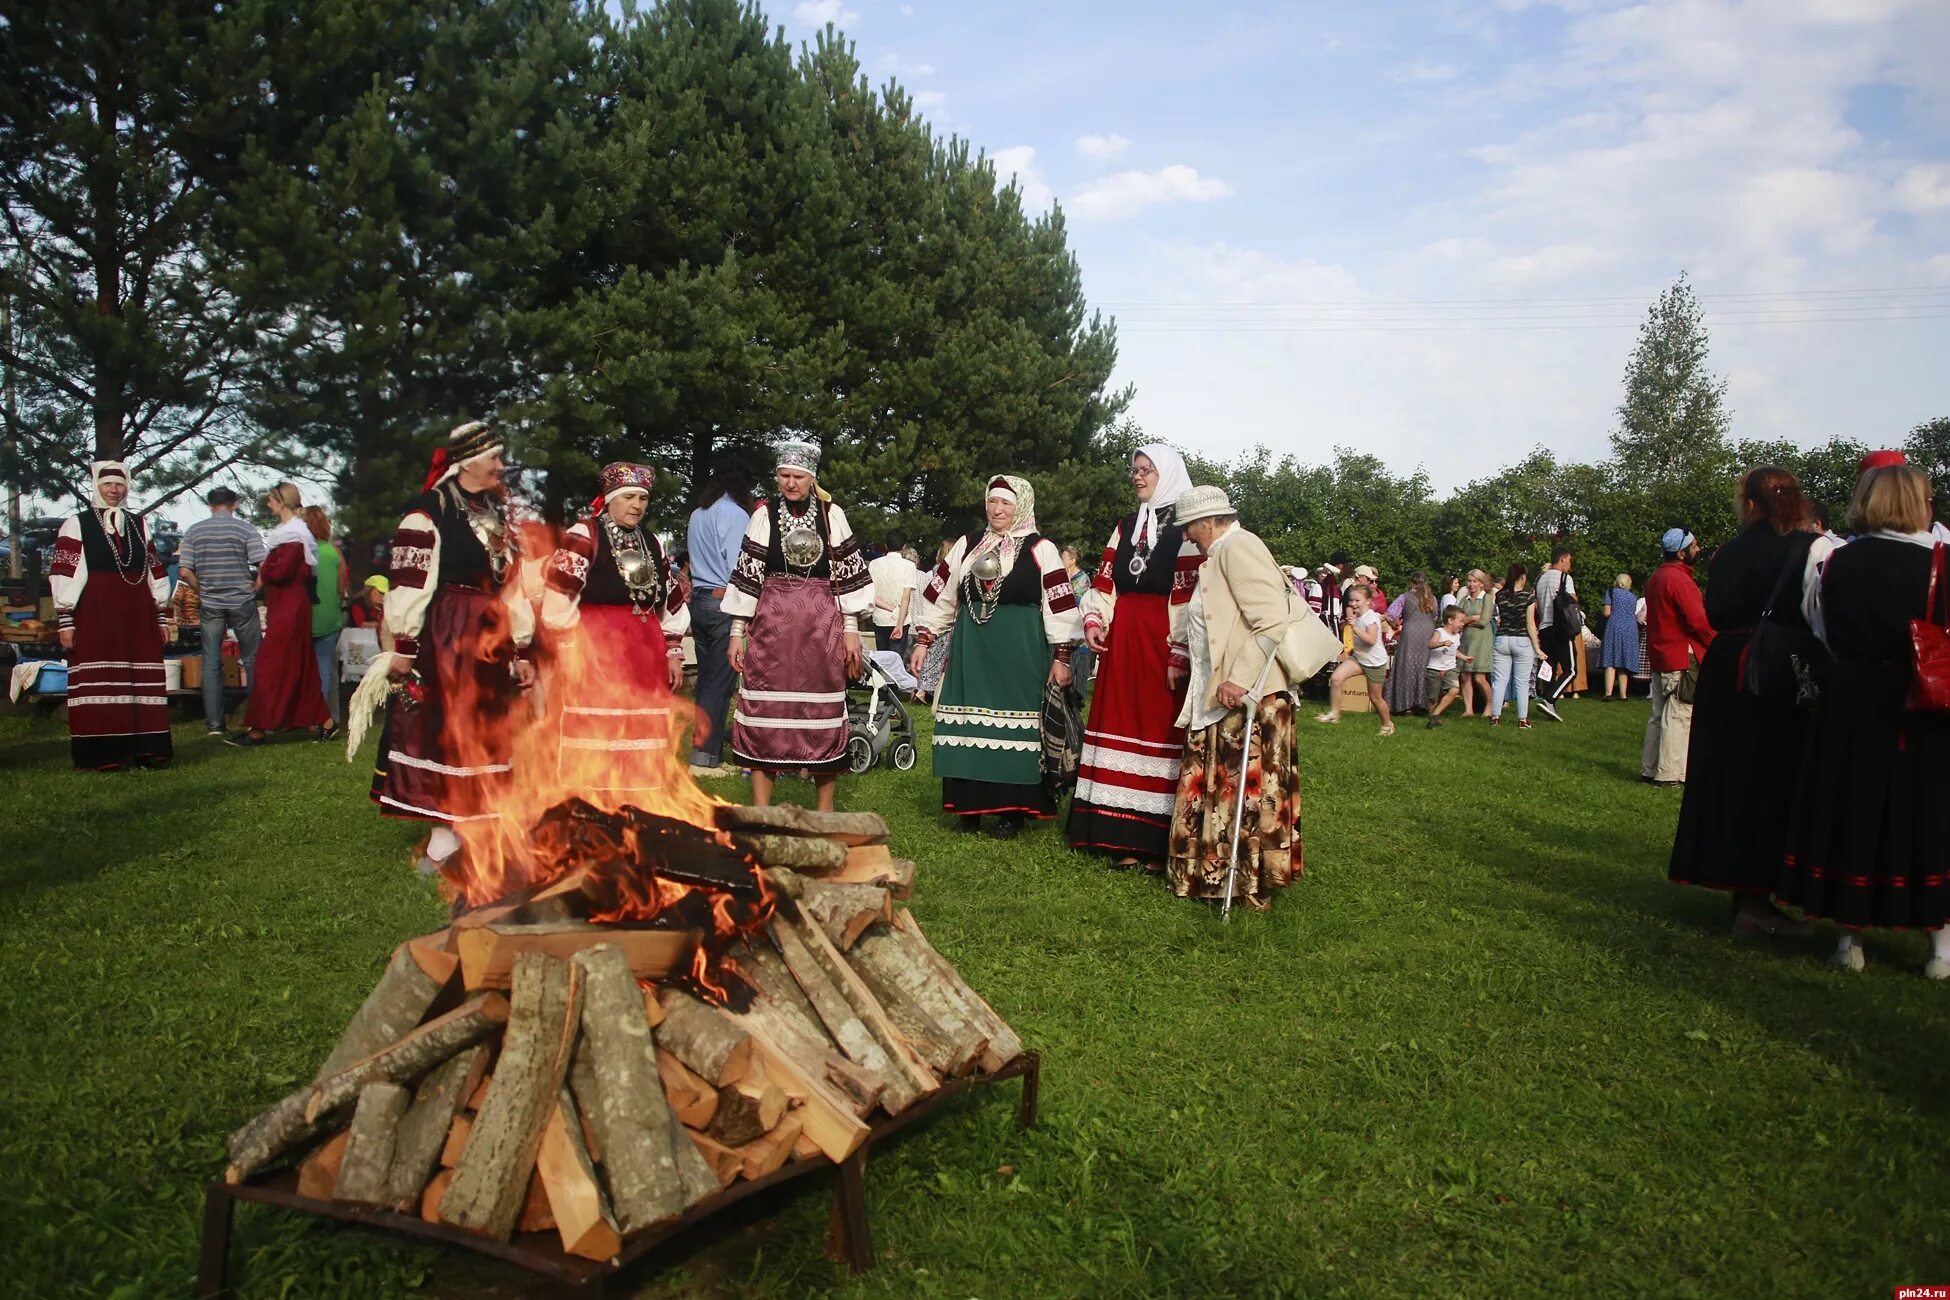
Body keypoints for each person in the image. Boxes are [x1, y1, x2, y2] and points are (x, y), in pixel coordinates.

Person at [1778, 464, 1950, 974]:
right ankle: (1941, 947)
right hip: (1922, 703)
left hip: (1852, 698)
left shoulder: (1835, 560)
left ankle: (1848, 942)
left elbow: (1822, 627)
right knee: (1928, 811)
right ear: (1919, 501)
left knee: (1853, 806)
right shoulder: (1941, 562)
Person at [365, 421, 536, 875]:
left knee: (486, 727)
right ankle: (444, 839)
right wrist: (403, 644)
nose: (501, 466)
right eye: (494, 457)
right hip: (450, 630)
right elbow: (410, 580)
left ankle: (476, 829)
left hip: (491, 631)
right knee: (450, 727)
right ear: (468, 461)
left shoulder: (499, 513)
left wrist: (520, 648)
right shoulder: (430, 510)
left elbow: (514, 585)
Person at [1668, 467, 1820, 935]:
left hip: (1727, 667)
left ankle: (1744, 894)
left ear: (1750, 504)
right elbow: (1820, 615)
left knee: (1731, 777)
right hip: (1777, 668)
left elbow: (1715, 611)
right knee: (1774, 777)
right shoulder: (1810, 548)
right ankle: (1758, 902)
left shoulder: (1727, 553)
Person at [909, 475, 1079, 839]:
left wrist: (1062, 654)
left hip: (1020, 651)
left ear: (1021, 507)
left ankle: (1010, 813)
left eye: (1006, 503)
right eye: (992, 501)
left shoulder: (1040, 548)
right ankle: (967, 808)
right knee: (966, 721)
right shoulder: (968, 545)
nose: (997, 509)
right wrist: (924, 639)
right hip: (972, 649)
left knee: (1015, 725)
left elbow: (1060, 603)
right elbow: (940, 594)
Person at [1165, 486, 1302, 909]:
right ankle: (1214, 876)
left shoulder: (1238, 548)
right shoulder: (1220, 553)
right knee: (1220, 786)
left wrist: (1239, 680)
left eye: (1189, 527)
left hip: (1249, 696)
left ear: (1209, 521)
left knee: (1243, 791)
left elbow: (1271, 621)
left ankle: (1246, 884)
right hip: (1223, 691)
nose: (1187, 536)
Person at [1067, 444, 1203, 867]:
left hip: (1162, 638)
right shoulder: (1126, 526)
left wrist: (1179, 650)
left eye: (1146, 471)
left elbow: (1187, 595)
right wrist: (1094, 619)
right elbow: (1107, 581)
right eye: (1135, 471)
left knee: (1158, 727)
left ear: (1167, 474)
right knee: (1122, 720)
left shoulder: (1186, 528)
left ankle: (1155, 843)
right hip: (1125, 637)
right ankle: (1115, 831)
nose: (1138, 477)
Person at [723, 439, 872, 810]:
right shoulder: (764, 515)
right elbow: (749, 576)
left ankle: (824, 810)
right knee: (764, 712)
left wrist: (851, 630)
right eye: (784, 476)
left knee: (823, 710)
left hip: (822, 626)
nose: (790, 484)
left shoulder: (830, 515)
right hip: (772, 627)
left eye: (798, 477)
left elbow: (846, 577)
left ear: (811, 478)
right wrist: (736, 634)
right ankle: (760, 809)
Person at [542, 462, 689, 794]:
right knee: (599, 729)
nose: (637, 505)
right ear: (610, 499)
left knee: (640, 729)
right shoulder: (584, 534)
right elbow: (557, 595)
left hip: (645, 646)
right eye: (629, 498)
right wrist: (569, 648)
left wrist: (674, 650)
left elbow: (671, 600)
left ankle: (637, 809)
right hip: (598, 646)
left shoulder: (652, 542)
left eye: (642, 498)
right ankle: (591, 807)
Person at [48, 461, 173, 770]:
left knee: (137, 676)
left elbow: (154, 571)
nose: (114, 490)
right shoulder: (76, 524)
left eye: (119, 484)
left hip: (137, 611)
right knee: (101, 676)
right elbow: (66, 573)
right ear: (97, 487)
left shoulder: (139, 524)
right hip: (97, 610)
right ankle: (103, 753)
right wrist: (66, 619)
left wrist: (161, 615)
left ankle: (146, 750)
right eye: (107, 485)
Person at [230, 484, 332, 746]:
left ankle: (259, 729)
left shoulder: (294, 535)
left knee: (271, 664)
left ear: (283, 502)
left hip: (290, 605)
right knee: (300, 663)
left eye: (272, 499)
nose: (268, 503)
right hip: (286, 605)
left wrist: (267, 568)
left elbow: (278, 572)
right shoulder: (288, 535)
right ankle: (323, 721)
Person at [685, 468, 757, 777]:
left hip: (699, 599)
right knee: (720, 682)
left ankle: (703, 748)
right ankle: (705, 757)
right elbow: (738, 567)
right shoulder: (735, 514)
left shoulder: (697, 514)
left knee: (705, 682)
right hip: (723, 601)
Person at [179, 484, 266, 736]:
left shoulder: (194, 531)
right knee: (252, 660)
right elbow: (264, 564)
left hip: (211, 603)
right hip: (242, 600)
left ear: (209, 505)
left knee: (211, 662)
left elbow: (184, 571)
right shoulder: (246, 529)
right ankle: (256, 719)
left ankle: (215, 724)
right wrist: (255, 588)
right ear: (235, 504)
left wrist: (201, 590)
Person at [1641, 527, 1712, 786]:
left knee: (1658, 715)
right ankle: (1669, 773)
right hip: (1680, 655)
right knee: (1679, 714)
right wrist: (1715, 641)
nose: (1698, 549)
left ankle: (1649, 769)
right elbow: (1698, 621)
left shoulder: (1656, 578)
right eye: (1694, 545)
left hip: (1660, 654)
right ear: (1681, 553)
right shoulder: (1680, 580)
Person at [1316, 584, 1394, 735]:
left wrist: (1355, 628)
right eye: (1351, 600)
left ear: (1368, 601)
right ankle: (1334, 714)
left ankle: (1387, 724)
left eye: (1357, 600)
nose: (1353, 603)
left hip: (1375, 663)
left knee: (1375, 698)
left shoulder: (1370, 618)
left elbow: (1371, 640)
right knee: (1336, 678)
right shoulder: (1356, 616)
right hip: (1359, 659)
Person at [305, 507, 350, 729]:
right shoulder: (335, 553)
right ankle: (327, 716)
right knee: (326, 668)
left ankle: (309, 716)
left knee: (306, 668)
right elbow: (341, 590)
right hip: (330, 616)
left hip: (305, 616)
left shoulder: (303, 551)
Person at [1488, 562, 1541, 729]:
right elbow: (1530, 624)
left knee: (1499, 681)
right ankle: (1522, 719)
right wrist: (1537, 648)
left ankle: (1495, 716)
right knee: (1522, 682)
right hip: (1522, 640)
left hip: (1502, 639)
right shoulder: (1528, 597)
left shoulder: (1500, 596)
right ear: (1522, 577)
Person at [1532, 545, 1577, 721]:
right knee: (1571, 670)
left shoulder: (1541, 579)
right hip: (1560, 628)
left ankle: (1550, 707)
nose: (1570, 564)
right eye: (1569, 561)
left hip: (1544, 628)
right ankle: (1549, 699)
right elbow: (1573, 601)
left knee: (1549, 669)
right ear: (1562, 559)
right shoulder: (1565, 578)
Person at [1383, 571, 1438, 716]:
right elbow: (1435, 616)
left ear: (1411, 582)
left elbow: (1390, 614)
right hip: (1427, 633)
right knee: (1423, 667)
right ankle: (1422, 704)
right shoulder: (1432, 599)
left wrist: (1394, 625)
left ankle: (1403, 704)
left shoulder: (1404, 597)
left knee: (1406, 666)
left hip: (1410, 633)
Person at [867, 530, 916, 656]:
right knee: (896, 662)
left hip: (880, 618)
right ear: (904, 547)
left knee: (882, 661)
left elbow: (870, 593)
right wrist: (899, 621)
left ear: (886, 545)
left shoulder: (874, 564)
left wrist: (892, 609)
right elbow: (906, 597)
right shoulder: (909, 566)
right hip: (900, 618)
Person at [1425, 604, 1472, 727]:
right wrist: (1442, 643)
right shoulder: (1439, 632)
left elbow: (1454, 650)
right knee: (1433, 698)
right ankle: (1432, 717)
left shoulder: (1457, 636)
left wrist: (1464, 657)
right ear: (1450, 620)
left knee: (1454, 690)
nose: (1462, 624)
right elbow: (1430, 644)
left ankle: (1435, 714)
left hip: (1451, 668)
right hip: (1435, 668)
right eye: (1460, 621)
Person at [1456, 569, 1495, 717]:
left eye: (1474, 581)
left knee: (1479, 677)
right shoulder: (1464, 600)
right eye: (1469, 581)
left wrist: (1468, 620)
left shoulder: (1486, 598)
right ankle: (1468, 709)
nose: (1471, 584)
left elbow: (1485, 621)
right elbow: (1457, 620)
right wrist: (1473, 618)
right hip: (1466, 640)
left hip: (1482, 641)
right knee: (1465, 676)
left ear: (1481, 583)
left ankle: (1490, 707)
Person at [1059, 544, 1096, 688]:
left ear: (1072, 560)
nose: (1061, 561)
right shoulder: (1065, 577)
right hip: (1064, 634)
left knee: (1075, 682)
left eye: (1063, 558)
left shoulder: (1082, 580)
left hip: (1079, 637)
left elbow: (1076, 605)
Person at [1600, 573, 1638, 700]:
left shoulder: (1611, 592)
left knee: (1610, 660)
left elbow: (1606, 613)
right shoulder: (1633, 597)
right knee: (1623, 662)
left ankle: (1608, 693)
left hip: (1614, 627)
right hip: (1630, 629)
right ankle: (1623, 694)